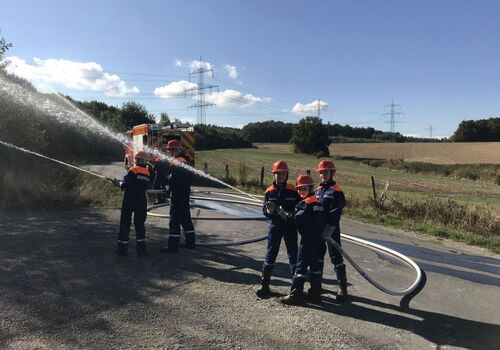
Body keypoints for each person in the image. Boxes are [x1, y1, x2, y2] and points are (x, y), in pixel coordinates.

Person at [256, 160, 300, 298]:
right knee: (270, 255)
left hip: (290, 227)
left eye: (283, 173)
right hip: (275, 227)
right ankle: (265, 286)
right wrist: (268, 210)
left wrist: (289, 215)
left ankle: (296, 288)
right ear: (274, 175)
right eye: (278, 173)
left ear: (286, 174)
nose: (280, 176)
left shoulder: (293, 190)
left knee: (293, 255)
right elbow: (264, 209)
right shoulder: (269, 191)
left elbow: (299, 209)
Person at [281, 174, 324, 305]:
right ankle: (316, 294)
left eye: (304, 188)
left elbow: (297, 219)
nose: (301, 192)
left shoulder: (306, 203)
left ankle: (295, 295)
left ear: (311, 188)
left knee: (300, 268)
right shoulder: (317, 202)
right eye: (299, 189)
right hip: (317, 241)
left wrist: (285, 214)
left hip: (307, 242)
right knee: (315, 267)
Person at [313, 160, 348, 301]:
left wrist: (329, 228)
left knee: (336, 257)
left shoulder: (337, 191)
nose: (323, 174)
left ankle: (343, 289)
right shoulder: (317, 191)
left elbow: (335, 212)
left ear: (332, 173)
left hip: (331, 230)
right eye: (321, 172)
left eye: (326, 172)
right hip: (318, 230)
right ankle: (317, 286)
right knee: (318, 256)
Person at [160, 139, 195, 254]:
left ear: (174, 150)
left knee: (174, 220)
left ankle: (173, 247)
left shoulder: (176, 162)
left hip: (178, 195)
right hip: (184, 194)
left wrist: (166, 182)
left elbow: (173, 179)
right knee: (186, 219)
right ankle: (191, 243)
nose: (168, 153)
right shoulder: (184, 160)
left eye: (169, 150)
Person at [115, 151, 150, 257]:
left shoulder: (133, 170)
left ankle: (122, 249)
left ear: (138, 160)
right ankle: (141, 250)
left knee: (125, 223)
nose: (135, 161)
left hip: (129, 200)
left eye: (136, 159)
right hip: (141, 201)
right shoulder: (147, 172)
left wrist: (119, 184)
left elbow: (126, 185)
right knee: (140, 225)